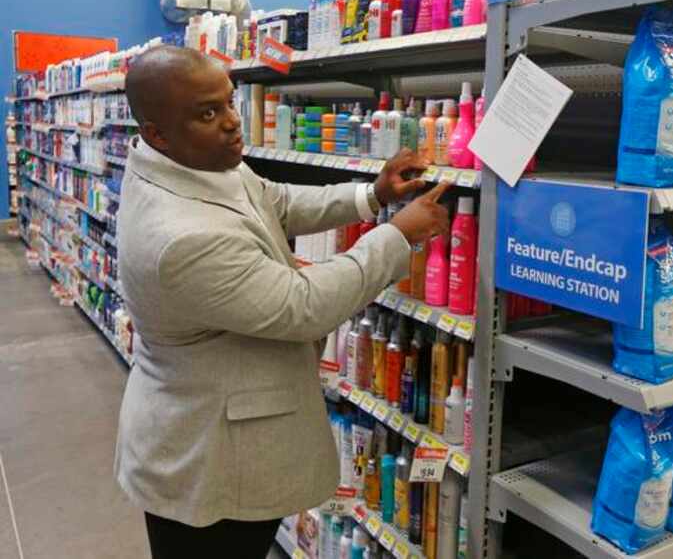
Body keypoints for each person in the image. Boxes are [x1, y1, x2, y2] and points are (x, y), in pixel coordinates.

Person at [114, 46, 450, 559]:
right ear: (157, 132)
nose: (231, 122)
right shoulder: (180, 235)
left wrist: (373, 195)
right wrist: (395, 239)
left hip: (216, 438)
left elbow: (275, 201)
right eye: (208, 113)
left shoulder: (190, 161)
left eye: (229, 103)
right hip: (209, 462)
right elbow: (302, 308)